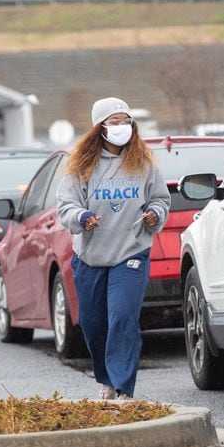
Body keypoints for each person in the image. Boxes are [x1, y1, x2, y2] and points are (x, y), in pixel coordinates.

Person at [57, 97, 170, 400]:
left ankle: (123, 388)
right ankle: (106, 379)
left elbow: (161, 199)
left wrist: (155, 214)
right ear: (100, 128)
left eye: (126, 121)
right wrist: (81, 217)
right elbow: (66, 206)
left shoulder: (143, 162)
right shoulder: (82, 166)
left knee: (122, 317)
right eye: (114, 121)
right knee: (94, 325)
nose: (121, 127)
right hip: (91, 256)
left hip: (130, 253)